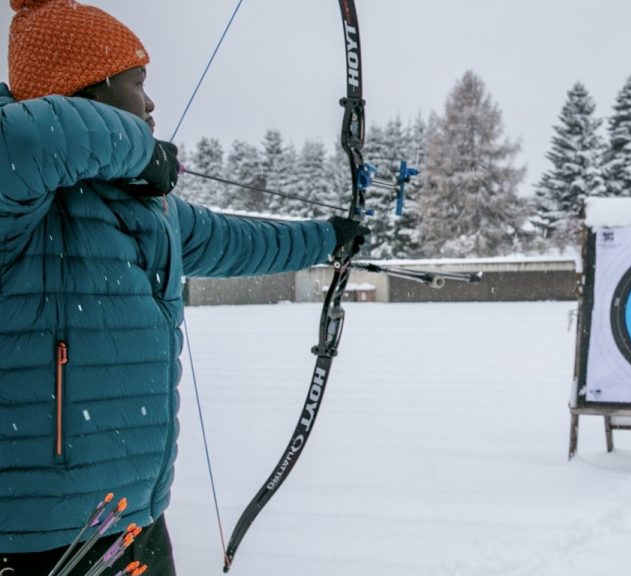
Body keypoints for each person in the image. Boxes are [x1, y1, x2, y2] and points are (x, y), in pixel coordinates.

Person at [0, 1, 367, 573]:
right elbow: (27, 142)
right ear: (84, 93)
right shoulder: (20, 205)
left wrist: (327, 238)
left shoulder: (151, 208)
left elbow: (237, 240)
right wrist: (141, 150)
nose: (150, 102)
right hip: (40, 534)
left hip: (134, 518)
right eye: (137, 83)